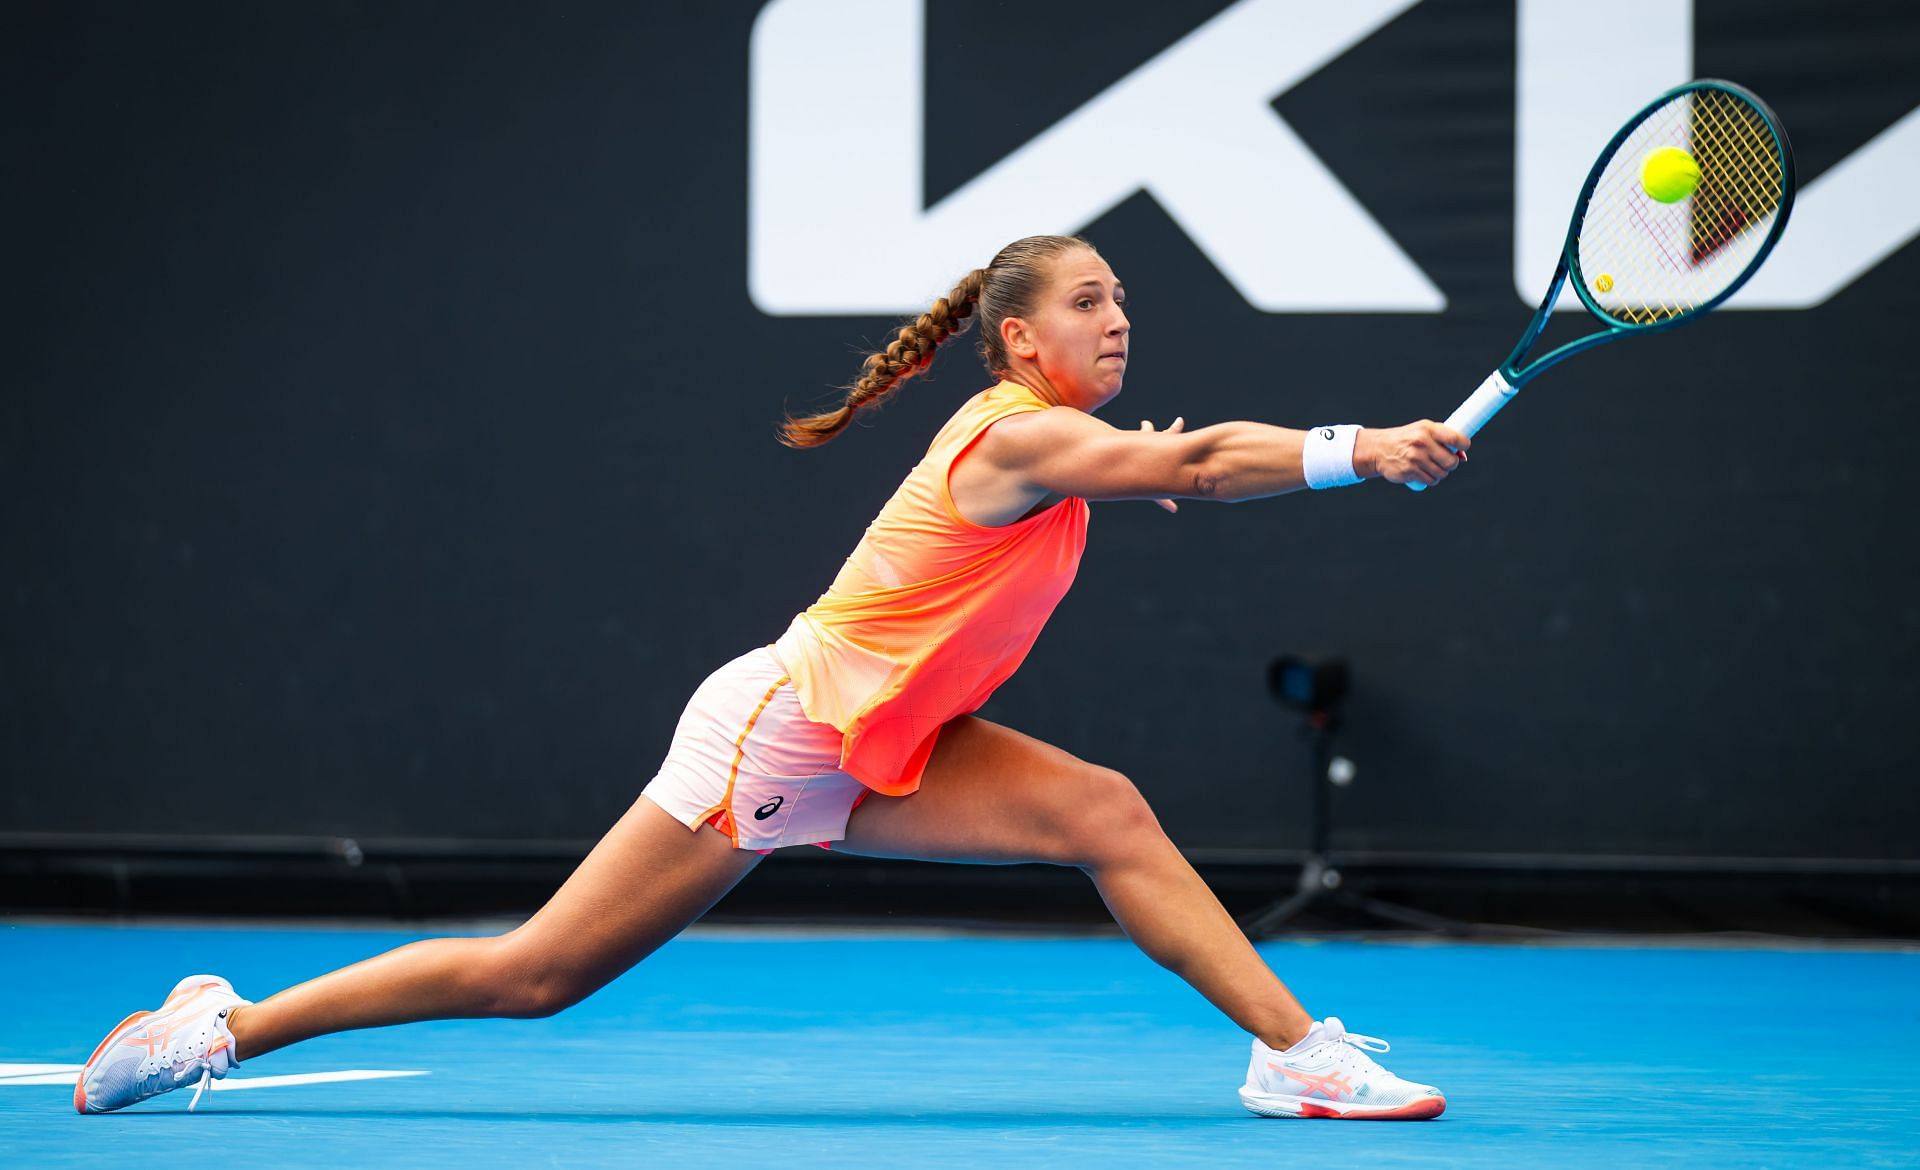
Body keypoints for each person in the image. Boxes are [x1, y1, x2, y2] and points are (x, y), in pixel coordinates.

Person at [76, 234, 1468, 1120]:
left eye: (1124, 300)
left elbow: (1174, 472)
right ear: (1018, 345)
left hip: (886, 746)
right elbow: (1205, 462)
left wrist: (1163, 473)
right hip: (781, 733)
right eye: (1088, 302)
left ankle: (1292, 1052)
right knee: (534, 975)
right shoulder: (1011, 437)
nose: (1117, 319)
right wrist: (1365, 445)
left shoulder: (1053, 452)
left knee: (1103, 810)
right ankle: (224, 1025)